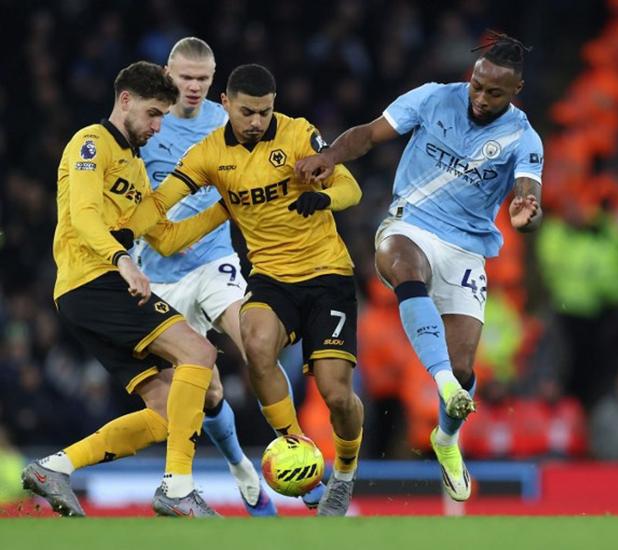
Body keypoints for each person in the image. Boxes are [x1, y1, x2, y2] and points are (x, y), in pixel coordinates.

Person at [296, 31, 544, 501]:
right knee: (403, 267)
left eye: (494, 92)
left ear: (516, 91)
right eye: (477, 84)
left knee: (466, 366)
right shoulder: (433, 98)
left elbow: (530, 192)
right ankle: (445, 384)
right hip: (410, 223)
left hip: (467, 248)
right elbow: (369, 133)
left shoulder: (523, 137)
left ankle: (446, 438)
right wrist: (329, 156)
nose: (480, 97)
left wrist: (525, 212)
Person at [123, 64, 365, 516]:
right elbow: (161, 203)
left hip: (327, 273)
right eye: (248, 112)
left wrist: (324, 196)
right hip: (271, 277)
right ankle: (297, 448)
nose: (257, 122)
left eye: (265, 111)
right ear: (226, 105)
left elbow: (350, 185)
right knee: (255, 345)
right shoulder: (210, 154)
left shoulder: (296, 135)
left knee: (336, 394)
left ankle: (346, 473)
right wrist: (123, 231)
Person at [22, 61, 228, 517]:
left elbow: (167, 237)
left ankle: (56, 467)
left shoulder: (135, 170)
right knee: (200, 354)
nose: (157, 127)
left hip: (98, 291)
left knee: (167, 413)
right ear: (126, 100)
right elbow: (84, 215)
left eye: (163, 118)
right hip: (93, 280)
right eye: (154, 114)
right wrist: (122, 261)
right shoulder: (90, 144)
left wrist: (226, 207)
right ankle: (177, 489)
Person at [130, 36, 306, 516]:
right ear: (167, 73)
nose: (192, 88)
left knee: (258, 346)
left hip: (214, 261)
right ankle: (241, 469)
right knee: (208, 391)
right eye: (184, 78)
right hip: (160, 276)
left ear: (215, 84)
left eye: (202, 80)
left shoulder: (227, 122)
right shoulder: (147, 123)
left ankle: (296, 449)